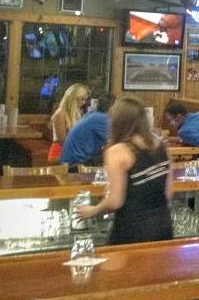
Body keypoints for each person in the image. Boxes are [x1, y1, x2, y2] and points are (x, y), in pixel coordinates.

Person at [76, 97, 172, 245]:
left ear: (117, 121)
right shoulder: (160, 146)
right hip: (163, 226)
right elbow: (168, 192)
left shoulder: (118, 151)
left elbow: (115, 201)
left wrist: (93, 210)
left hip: (132, 229)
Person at [59, 94, 115, 167]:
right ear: (111, 108)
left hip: (69, 160)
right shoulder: (102, 119)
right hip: (77, 163)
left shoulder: (92, 114)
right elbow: (113, 143)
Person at [48, 83, 89, 162]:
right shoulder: (60, 114)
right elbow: (62, 141)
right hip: (59, 153)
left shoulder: (77, 113)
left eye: (85, 100)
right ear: (73, 98)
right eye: (82, 99)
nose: (84, 102)